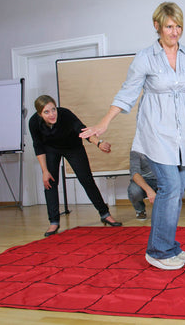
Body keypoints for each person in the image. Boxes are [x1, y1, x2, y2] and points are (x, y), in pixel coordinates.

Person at [79, 2, 185, 271]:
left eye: (178, 25)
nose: (175, 31)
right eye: (169, 26)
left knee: (176, 191)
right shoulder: (146, 57)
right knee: (168, 187)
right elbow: (127, 94)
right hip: (155, 132)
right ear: (157, 26)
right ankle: (157, 250)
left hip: (181, 135)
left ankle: (168, 246)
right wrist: (103, 123)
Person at [28, 95, 122, 237]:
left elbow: (82, 130)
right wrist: (44, 171)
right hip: (51, 149)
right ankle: (53, 222)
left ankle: (104, 213)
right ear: (39, 113)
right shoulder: (34, 122)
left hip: (73, 148)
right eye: (47, 112)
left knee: (86, 179)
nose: (52, 114)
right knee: (50, 183)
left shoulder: (65, 114)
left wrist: (99, 143)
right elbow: (38, 146)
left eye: (53, 109)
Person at [128, 150, 157, 220]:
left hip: (162, 178)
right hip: (144, 180)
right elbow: (135, 174)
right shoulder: (136, 148)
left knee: (179, 185)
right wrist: (149, 191)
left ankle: (166, 210)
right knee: (134, 191)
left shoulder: (164, 144)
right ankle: (140, 210)